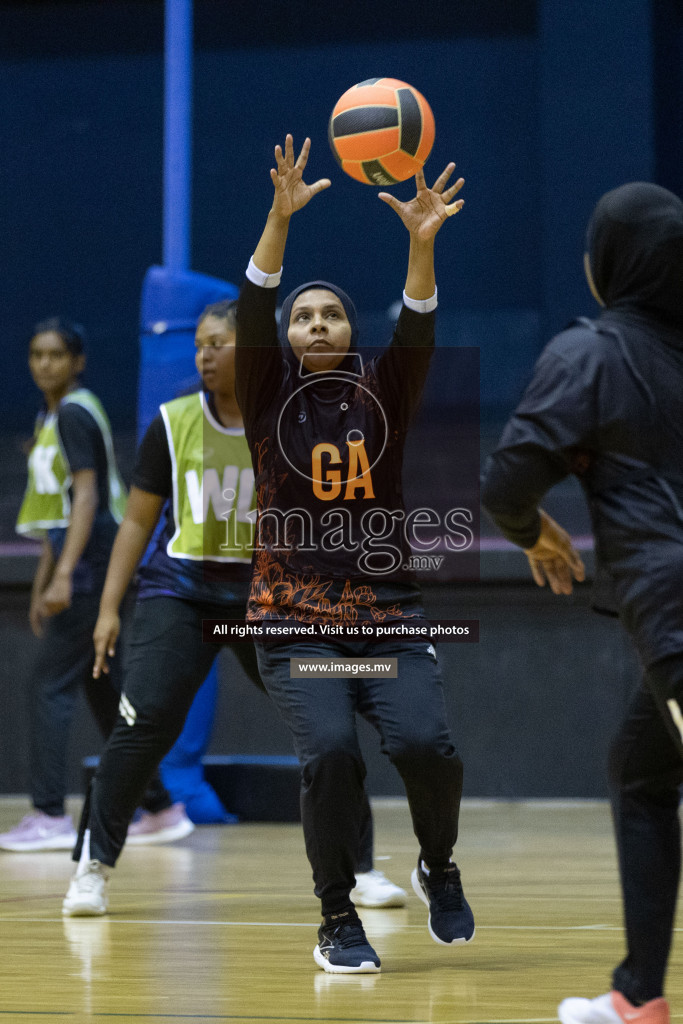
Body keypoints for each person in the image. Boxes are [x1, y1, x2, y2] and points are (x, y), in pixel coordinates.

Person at [61, 299, 405, 915]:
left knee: (327, 730)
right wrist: (109, 608)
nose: (204, 355)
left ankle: (362, 868)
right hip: (181, 592)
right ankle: (92, 866)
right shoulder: (171, 422)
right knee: (141, 729)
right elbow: (138, 521)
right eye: (198, 345)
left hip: (268, 594)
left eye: (217, 343)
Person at [234, 135, 474, 974]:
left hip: (386, 620)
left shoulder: (383, 393)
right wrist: (279, 217)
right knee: (330, 753)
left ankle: (436, 865)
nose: (315, 324)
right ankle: (336, 918)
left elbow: (418, 323)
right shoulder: (265, 393)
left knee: (425, 752)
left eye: (330, 313)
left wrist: (419, 241)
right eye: (304, 317)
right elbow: (253, 300)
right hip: (294, 626)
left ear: (349, 330)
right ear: (289, 338)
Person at [481, 182, 683, 1024]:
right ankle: (637, 994)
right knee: (639, 772)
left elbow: (506, 482)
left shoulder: (590, 353)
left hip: (672, 608)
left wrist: (532, 532)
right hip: (662, 628)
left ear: (611, 262)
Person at [0, 318, 187, 854]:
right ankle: (158, 806)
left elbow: (85, 499)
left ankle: (49, 813)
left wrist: (63, 576)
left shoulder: (77, 414)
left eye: (56, 354)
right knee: (103, 686)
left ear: (77, 361)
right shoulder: (54, 415)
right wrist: (43, 580)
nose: (44, 364)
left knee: (47, 684)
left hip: (92, 557)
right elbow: (54, 510)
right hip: (78, 556)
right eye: (36, 354)